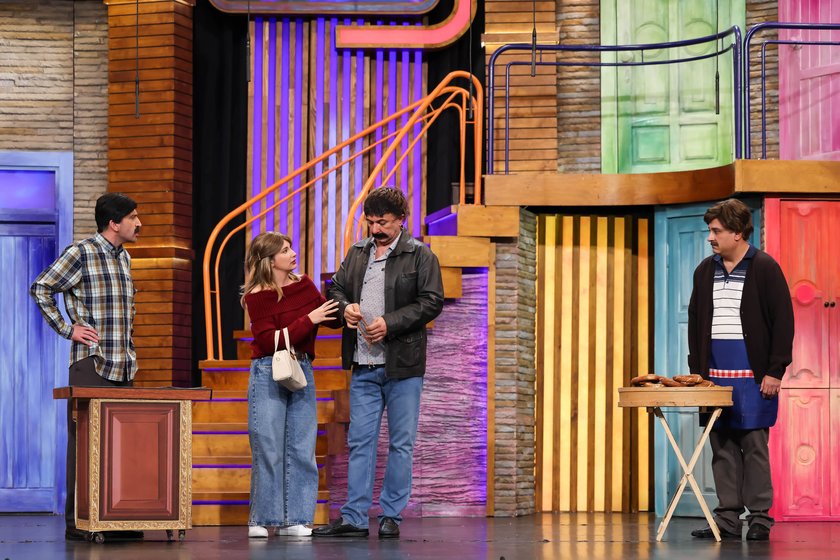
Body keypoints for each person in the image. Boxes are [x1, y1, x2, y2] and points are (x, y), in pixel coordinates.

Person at [313, 187, 444, 539]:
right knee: (360, 441)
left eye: (382, 222)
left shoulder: (420, 255)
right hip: (363, 364)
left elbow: (432, 301)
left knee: (401, 443)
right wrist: (345, 309)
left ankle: (391, 515)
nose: (375, 229)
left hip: (403, 367)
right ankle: (354, 517)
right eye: (370, 222)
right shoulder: (358, 252)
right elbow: (336, 289)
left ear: (401, 219)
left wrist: (390, 323)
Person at [30, 192, 142, 541]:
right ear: (114, 223)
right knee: (85, 445)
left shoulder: (124, 258)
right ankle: (79, 523)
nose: (138, 224)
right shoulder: (81, 252)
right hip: (92, 363)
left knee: (119, 446)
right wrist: (68, 329)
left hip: (123, 365)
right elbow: (41, 287)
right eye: (133, 217)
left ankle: (114, 521)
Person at [687, 198, 794, 542]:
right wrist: (697, 372)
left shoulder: (764, 267)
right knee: (721, 445)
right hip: (714, 374)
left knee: (754, 444)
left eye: (716, 231)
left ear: (737, 232)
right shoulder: (705, 270)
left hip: (754, 374)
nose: (710, 237)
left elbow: (783, 321)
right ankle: (728, 519)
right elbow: (695, 322)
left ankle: (760, 518)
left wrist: (775, 370)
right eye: (710, 231)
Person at [241, 231, 340, 538]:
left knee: (301, 447)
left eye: (290, 248)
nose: (292, 253)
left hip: (301, 367)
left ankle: (295, 518)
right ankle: (262, 519)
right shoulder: (257, 295)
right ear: (270, 260)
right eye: (285, 250)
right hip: (268, 369)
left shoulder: (305, 285)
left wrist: (345, 308)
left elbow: (329, 316)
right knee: (268, 446)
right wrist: (309, 320)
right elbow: (266, 341)